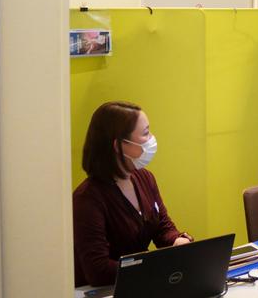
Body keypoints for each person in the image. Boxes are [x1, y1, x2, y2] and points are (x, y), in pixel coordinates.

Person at [73, 101, 192, 287]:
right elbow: (98, 271)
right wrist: (153, 266)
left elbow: (162, 228)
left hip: (141, 284)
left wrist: (177, 240)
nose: (152, 138)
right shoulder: (87, 199)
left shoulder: (144, 177)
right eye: (145, 134)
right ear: (119, 145)